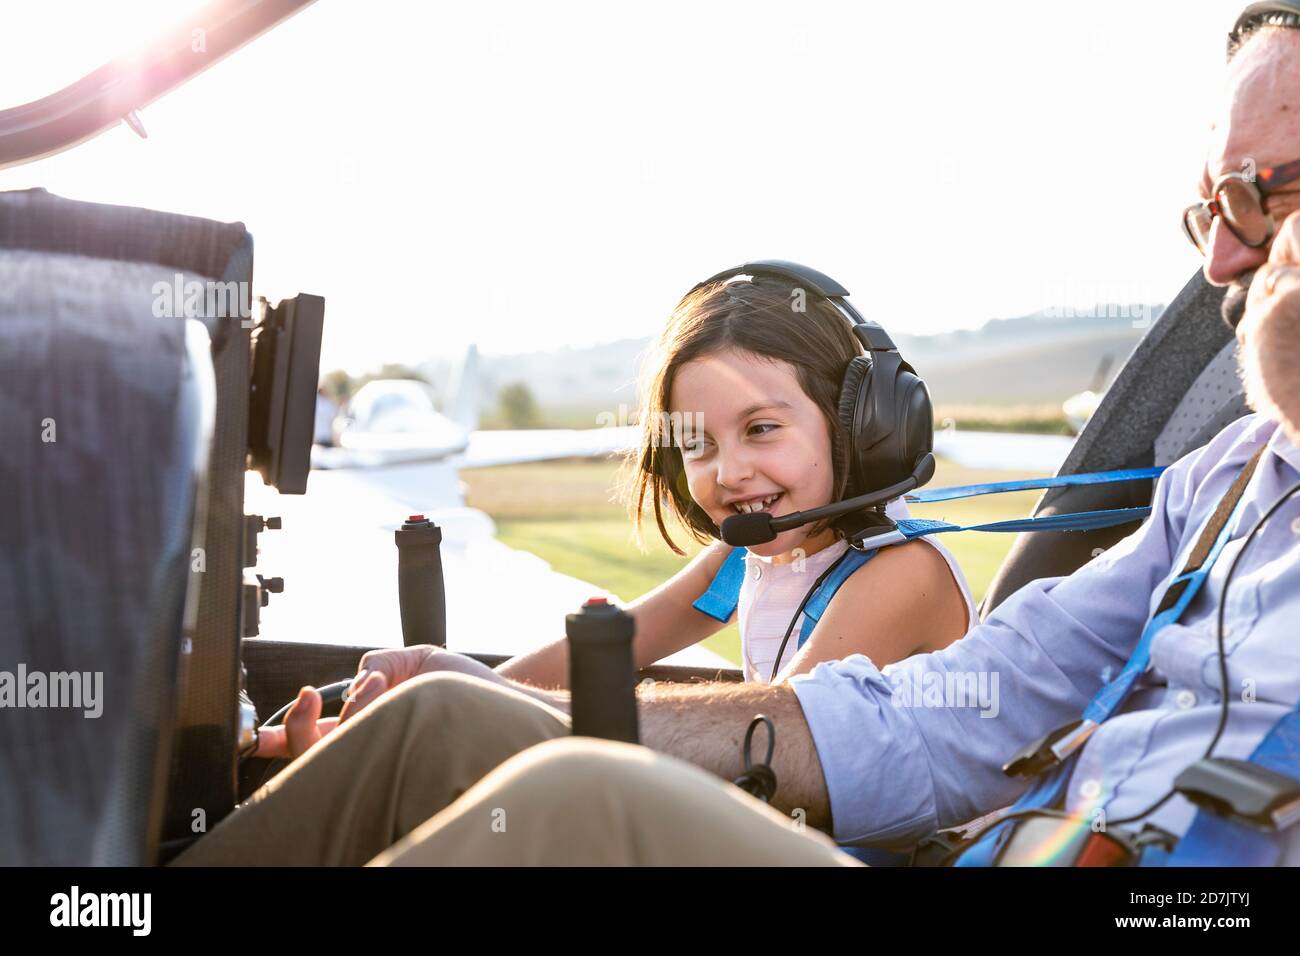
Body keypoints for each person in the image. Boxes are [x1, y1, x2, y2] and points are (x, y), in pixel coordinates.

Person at [175, 3, 1300, 866]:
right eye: (1210, 208)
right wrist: (501, 698)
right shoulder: (1220, 481)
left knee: (571, 796)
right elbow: (955, 711)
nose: (1221, 263)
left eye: (1260, 199)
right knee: (438, 717)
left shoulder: (892, 573)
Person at [494, 271, 973, 689]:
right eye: (697, 443)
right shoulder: (740, 559)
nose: (730, 472)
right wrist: (468, 686)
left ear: (858, 427)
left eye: (760, 429)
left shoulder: (901, 573)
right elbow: (612, 646)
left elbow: (774, 732)